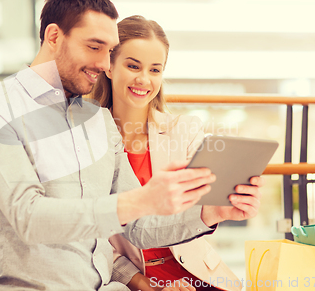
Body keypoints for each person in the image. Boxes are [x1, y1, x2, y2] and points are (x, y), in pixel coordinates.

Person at [0, 0, 262, 291]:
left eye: (109, 51)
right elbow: (28, 217)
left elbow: (139, 227)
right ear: (54, 36)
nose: (105, 64)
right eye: (95, 47)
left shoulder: (98, 121)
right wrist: (139, 200)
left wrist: (211, 212)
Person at [92, 15, 260, 291]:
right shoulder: (88, 139)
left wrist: (229, 200)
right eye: (133, 65)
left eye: (155, 70)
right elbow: (94, 239)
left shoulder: (184, 130)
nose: (144, 79)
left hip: (196, 274)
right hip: (131, 281)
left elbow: (202, 208)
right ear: (109, 67)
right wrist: (148, 287)